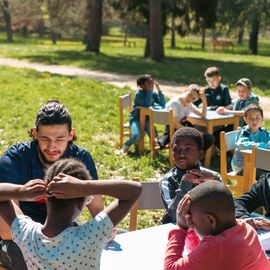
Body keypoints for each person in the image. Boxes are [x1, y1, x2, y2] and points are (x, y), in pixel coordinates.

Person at [0, 100, 104, 269]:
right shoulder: (15, 159)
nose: (52, 146)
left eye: (60, 138)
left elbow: (98, 212)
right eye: (45, 138)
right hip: (20, 239)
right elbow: (6, 230)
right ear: (35, 133)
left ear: (71, 134)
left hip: (64, 235)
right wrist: (22, 192)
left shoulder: (81, 159)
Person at [0, 158, 142, 269]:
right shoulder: (92, 234)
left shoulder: (26, 233)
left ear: (46, 198)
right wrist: (84, 187)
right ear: (81, 202)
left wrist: (21, 192)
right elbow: (134, 190)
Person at [164, 180, 270, 270]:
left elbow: (170, 268)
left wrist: (181, 228)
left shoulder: (215, 247)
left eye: (192, 221)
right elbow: (196, 250)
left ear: (210, 220)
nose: (191, 225)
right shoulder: (247, 229)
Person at [160, 127, 221, 224]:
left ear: (201, 154)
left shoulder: (211, 177)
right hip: (177, 229)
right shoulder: (168, 180)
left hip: (207, 229)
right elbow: (174, 215)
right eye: (177, 149)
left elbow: (224, 206)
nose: (182, 154)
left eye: (188, 149)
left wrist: (215, 181)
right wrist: (185, 184)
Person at [157, 84, 214, 152]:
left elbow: (203, 115)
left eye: (193, 98)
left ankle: (197, 158)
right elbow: (174, 123)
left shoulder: (189, 105)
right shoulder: (175, 103)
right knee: (198, 139)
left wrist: (204, 99)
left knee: (209, 138)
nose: (190, 99)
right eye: (190, 95)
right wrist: (191, 132)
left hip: (183, 129)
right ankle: (191, 158)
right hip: (174, 131)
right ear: (185, 90)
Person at [120, 74, 166, 154]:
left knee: (153, 135)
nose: (152, 84)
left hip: (147, 118)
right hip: (136, 118)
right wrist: (149, 91)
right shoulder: (139, 93)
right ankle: (126, 145)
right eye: (149, 82)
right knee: (137, 135)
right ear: (143, 85)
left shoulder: (153, 93)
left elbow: (162, 103)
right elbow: (146, 105)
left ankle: (154, 151)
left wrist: (159, 90)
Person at [231, 104, 270, 177]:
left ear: (262, 119)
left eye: (257, 117)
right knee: (265, 178)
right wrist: (266, 145)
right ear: (245, 119)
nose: (254, 120)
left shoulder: (264, 133)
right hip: (242, 166)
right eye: (250, 118)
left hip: (258, 163)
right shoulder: (244, 132)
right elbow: (243, 145)